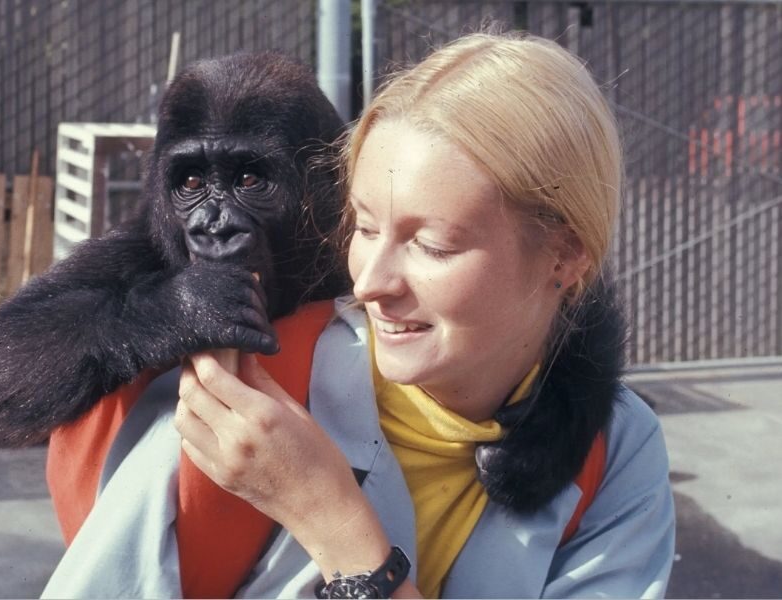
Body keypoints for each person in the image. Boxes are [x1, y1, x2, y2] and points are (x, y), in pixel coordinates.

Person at [43, 30, 675, 599]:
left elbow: (581, 324)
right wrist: (164, 312)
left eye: (433, 245)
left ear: (566, 255)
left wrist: (330, 517)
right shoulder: (242, 396)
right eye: (365, 228)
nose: (367, 283)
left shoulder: (616, 449)